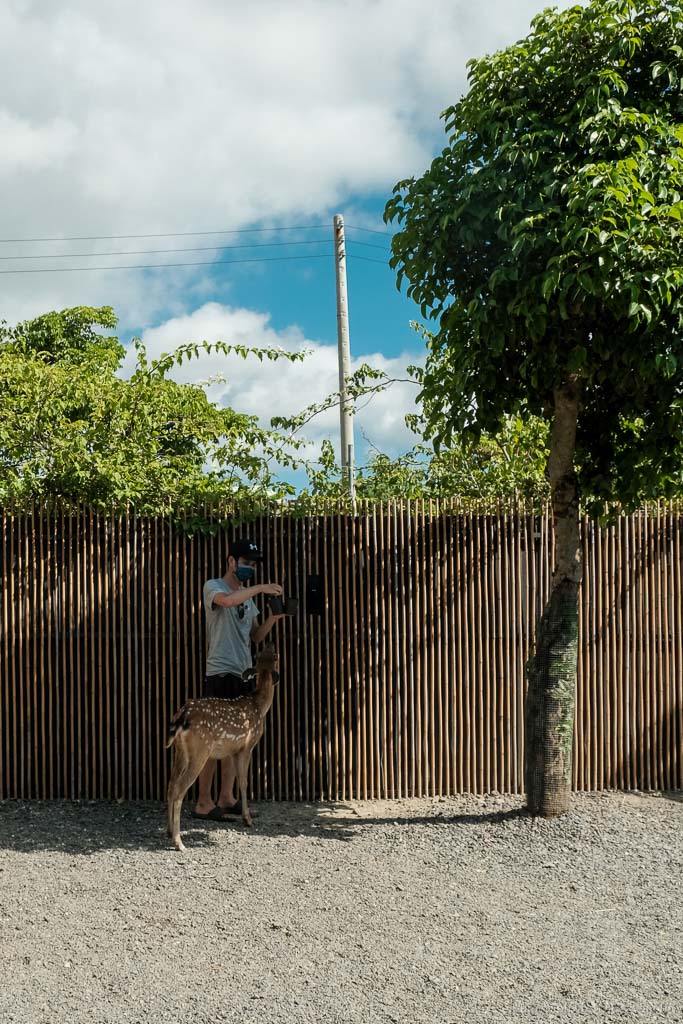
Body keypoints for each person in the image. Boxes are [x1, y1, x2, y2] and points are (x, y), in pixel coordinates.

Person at [192, 536, 283, 820]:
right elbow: (227, 602)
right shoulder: (213, 587)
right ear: (231, 561)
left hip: (244, 673)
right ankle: (204, 802)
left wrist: (273, 618)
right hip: (220, 672)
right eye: (245, 563)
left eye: (252, 565)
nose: (249, 568)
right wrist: (260, 588)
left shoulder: (249, 599)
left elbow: (255, 636)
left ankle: (227, 796)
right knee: (210, 739)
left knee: (238, 739)